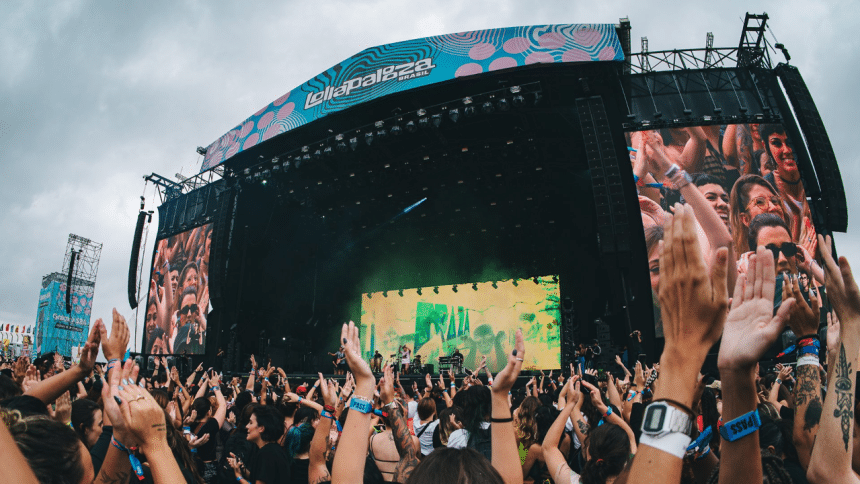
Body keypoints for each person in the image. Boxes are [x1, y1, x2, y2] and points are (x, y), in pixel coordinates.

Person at [229, 405, 291, 484]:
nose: (247, 426)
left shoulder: (266, 454)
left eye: (251, 423)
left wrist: (238, 477)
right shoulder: (273, 450)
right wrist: (241, 468)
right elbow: (261, 478)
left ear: (261, 428)